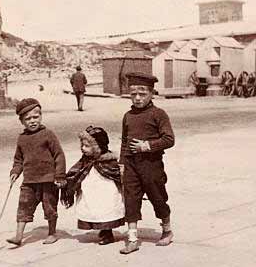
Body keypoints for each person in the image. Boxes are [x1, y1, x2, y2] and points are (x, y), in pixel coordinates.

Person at [119, 72, 175, 255]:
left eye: (142, 94)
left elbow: (169, 139)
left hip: (152, 165)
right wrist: (122, 163)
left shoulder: (158, 114)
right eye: (133, 94)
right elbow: (124, 141)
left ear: (152, 94)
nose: (137, 98)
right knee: (131, 200)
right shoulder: (127, 116)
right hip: (131, 166)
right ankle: (133, 239)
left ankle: (167, 230)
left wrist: (148, 146)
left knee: (157, 198)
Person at [7, 98, 66, 247]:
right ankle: (19, 236)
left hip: (48, 180)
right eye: (28, 119)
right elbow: (18, 159)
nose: (32, 121)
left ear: (41, 116)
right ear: (21, 121)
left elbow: (59, 155)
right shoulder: (22, 139)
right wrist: (15, 171)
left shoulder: (48, 134)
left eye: (36, 117)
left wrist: (59, 175)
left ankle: (52, 233)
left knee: (49, 207)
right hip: (29, 181)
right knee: (23, 206)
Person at [61, 125, 125, 245]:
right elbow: (75, 172)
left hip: (105, 189)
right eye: (82, 145)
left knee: (106, 209)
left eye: (87, 146)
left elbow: (117, 174)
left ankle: (107, 233)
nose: (83, 149)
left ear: (97, 147)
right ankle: (101, 229)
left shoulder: (108, 161)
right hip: (90, 190)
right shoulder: (85, 160)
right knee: (91, 207)